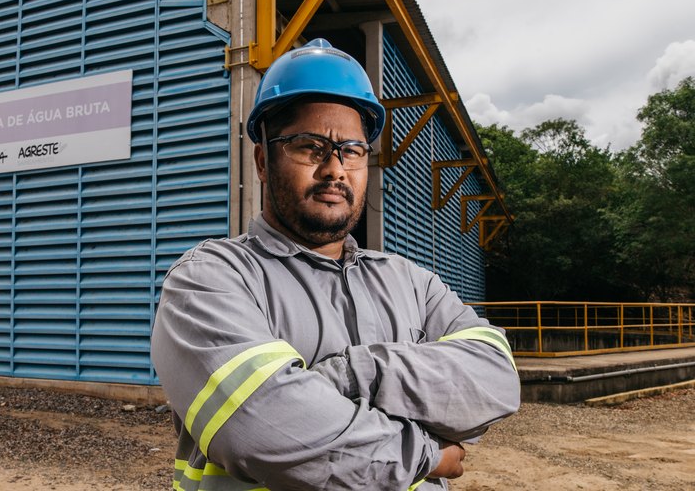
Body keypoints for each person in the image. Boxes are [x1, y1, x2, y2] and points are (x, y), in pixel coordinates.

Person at [151, 38, 520, 491]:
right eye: (309, 146)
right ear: (264, 161)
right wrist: (426, 454)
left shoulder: (411, 282)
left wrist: (352, 374)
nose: (335, 169)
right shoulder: (210, 279)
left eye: (352, 150)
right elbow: (263, 429)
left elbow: (496, 379)